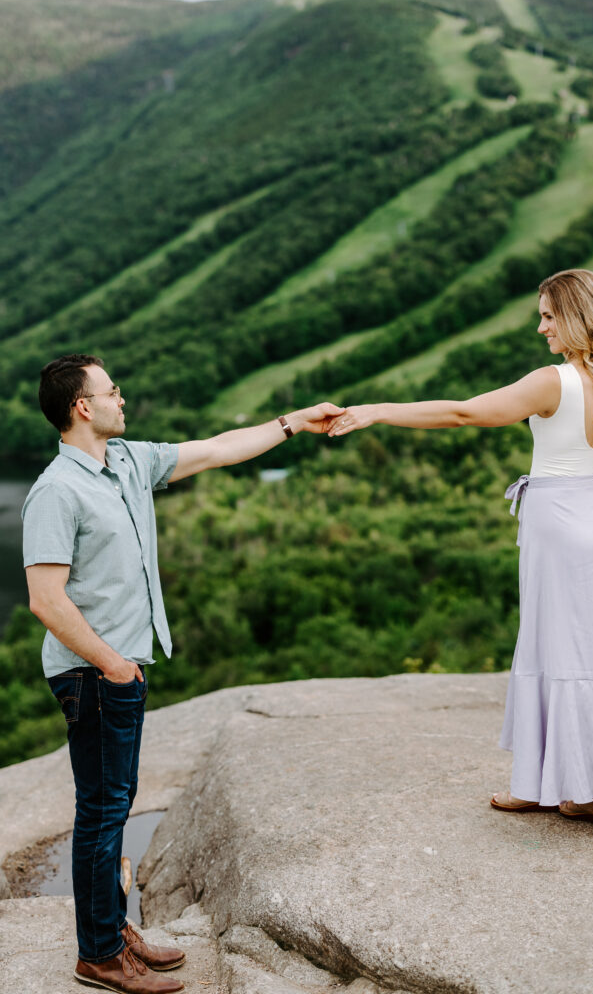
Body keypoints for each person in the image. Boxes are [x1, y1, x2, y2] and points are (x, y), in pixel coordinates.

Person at [22, 354, 344, 994]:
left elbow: (221, 448)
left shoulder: (130, 462)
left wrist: (295, 422)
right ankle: (100, 955)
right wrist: (113, 666)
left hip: (119, 671)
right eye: (111, 391)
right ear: (82, 407)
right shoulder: (56, 491)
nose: (122, 397)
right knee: (103, 811)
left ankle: (110, 931)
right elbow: (45, 600)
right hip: (94, 676)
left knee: (112, 806)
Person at [328, 268, 593, 831]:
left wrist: (376, 411)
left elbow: (465, 411)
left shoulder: (553, 382)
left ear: (578, 318)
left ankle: (545, 785)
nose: (541, 328)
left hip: (559, 529)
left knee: (554, 652)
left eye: (548, 316)